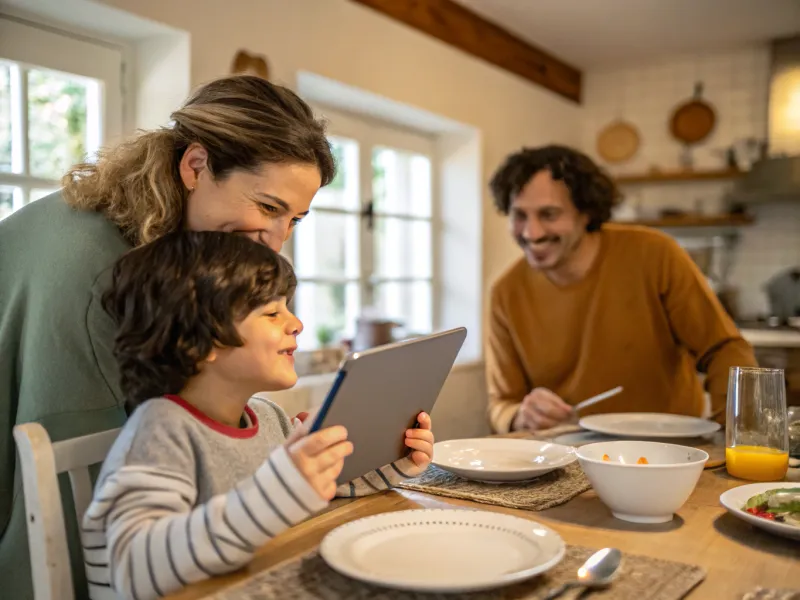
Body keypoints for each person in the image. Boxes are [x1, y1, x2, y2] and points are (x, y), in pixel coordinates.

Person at [0, 75, 336, 599]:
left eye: (294, 219)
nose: (277, 242)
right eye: (269, 208)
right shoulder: (95, 276)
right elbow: (65, 491)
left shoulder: (162, 244)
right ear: (196, 166)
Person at [83, 231, 434, 600]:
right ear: (198, 342)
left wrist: (394, 455)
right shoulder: (160, 431)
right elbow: (133, 570)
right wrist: (277, 489)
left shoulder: (267, 418)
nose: (296, 323)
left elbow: (322, 490)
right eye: (271, 312)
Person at [485, 145, 757, 433]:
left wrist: (726, 434)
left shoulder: (655, 255)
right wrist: (521, 416)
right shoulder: (506, 292)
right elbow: (502, 403)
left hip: (664, 450)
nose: (532, 233)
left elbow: (725, 351)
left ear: (586, 213)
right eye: (519, 216)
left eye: (549, 214)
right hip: (565, 457)